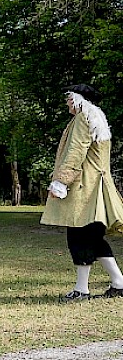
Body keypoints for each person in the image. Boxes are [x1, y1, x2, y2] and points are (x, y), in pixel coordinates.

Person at [41, 84, 123, 302]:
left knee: (79, 236)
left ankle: (82, 289)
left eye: (69, 98)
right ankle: (119, 282)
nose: (67, 102)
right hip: (98, 186)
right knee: (94, 237)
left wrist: (61, 182)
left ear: (78, 100)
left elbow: (76, 150)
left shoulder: (82, 117)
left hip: (84, 187)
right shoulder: (98, 117)